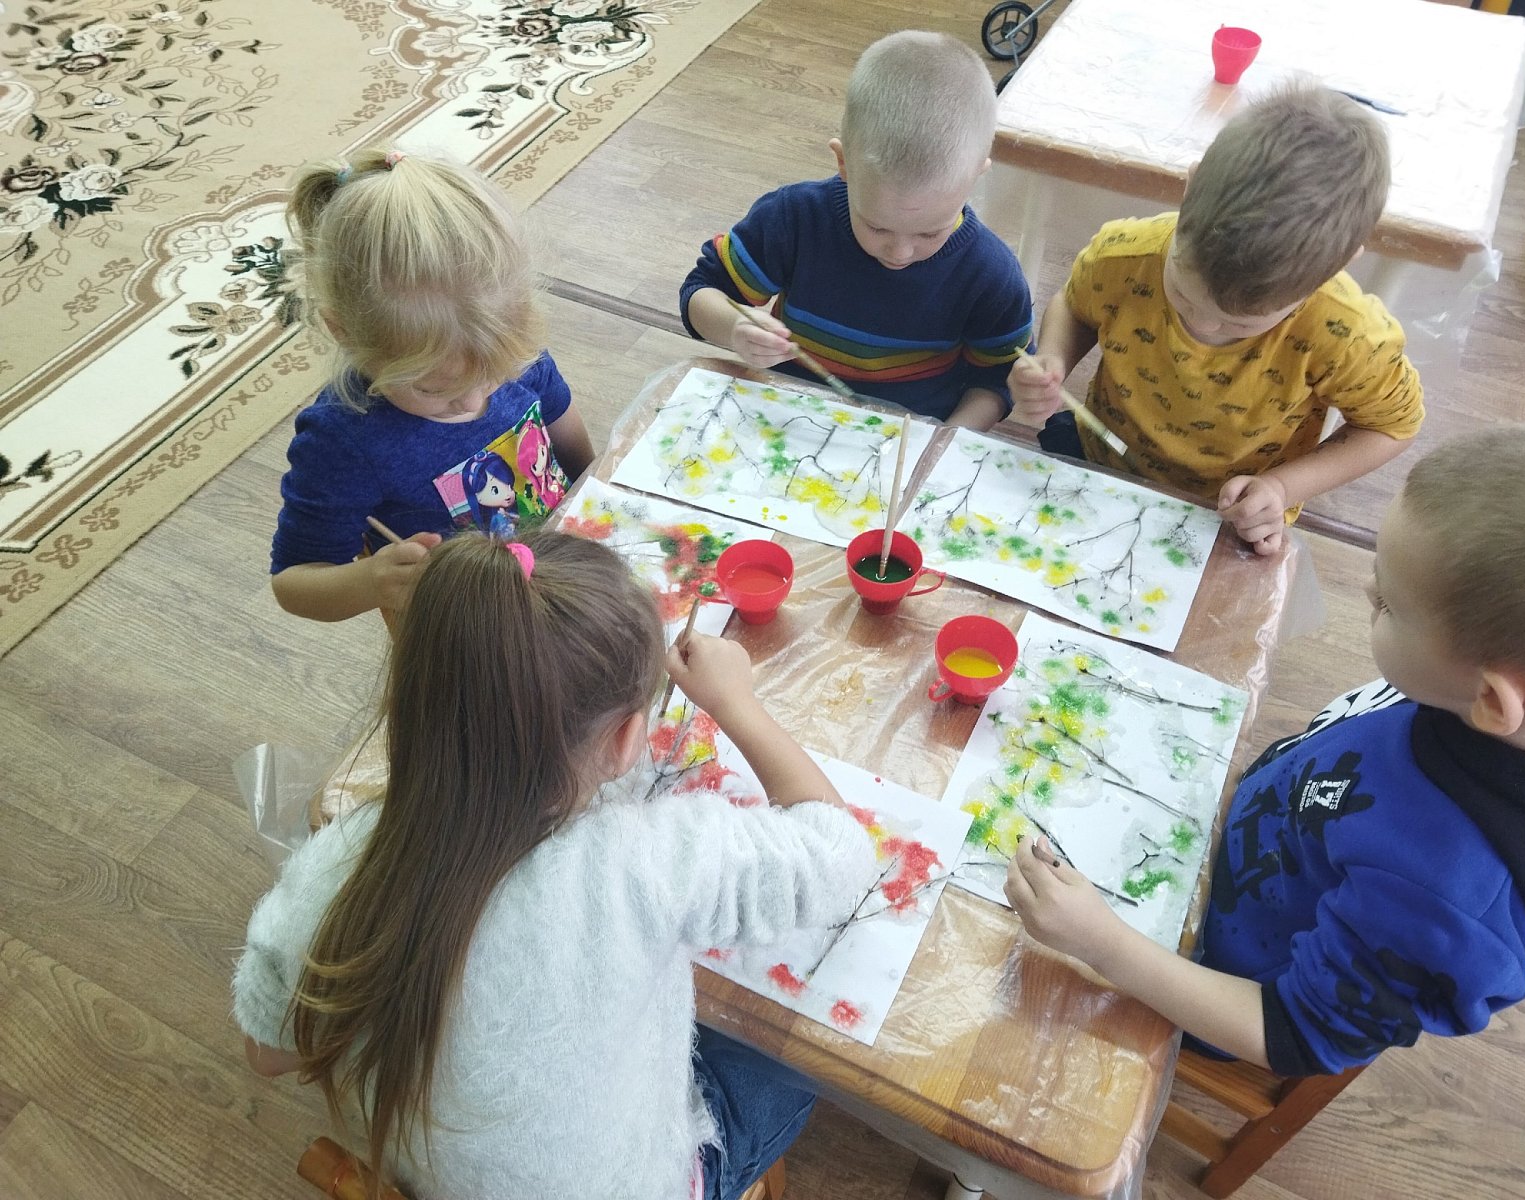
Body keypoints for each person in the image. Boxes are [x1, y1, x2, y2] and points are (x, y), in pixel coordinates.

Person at [234, 530, 879, 1198]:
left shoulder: (337, 860)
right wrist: (735, 699)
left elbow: (267, 1052)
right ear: (628, 740)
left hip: (425, 1182)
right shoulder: (644, 860)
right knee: (791, 1065)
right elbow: (839, 854)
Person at [1005, 419, 1525, 1077]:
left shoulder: (1446, 905)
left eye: (1389, 605)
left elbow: (1293, 1033)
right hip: (1224, 846)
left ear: (1493, 700)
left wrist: (1101, 944)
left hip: (1202, 974)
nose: (1367, 593)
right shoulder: (1483, 705)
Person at [1010, 85, 1425, 555]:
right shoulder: (1124, 255)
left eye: (1241, 325)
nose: (1204, 328)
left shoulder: (1348, 333)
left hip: (1230, 513)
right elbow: (1075, 305)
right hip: (1100, 458)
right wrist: (1054, 357)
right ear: (1188, 188)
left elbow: (1391, 427)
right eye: (1183, 296)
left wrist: (1282, 487)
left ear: (1336, 268)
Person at [270, 148, 595, 622]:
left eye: (494, 374)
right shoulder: (342, 440)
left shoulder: (512, 350)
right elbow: (293, 581)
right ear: (344, 332)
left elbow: (569, 437)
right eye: (433, 390)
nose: (471, 400)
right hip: (464, 625)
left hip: (563, 575)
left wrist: (598, 497)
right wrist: (371, 581)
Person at [680, 31, 1032, 429]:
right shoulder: (794, 219)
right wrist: (734, 327)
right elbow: (702, 290)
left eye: (929, 233)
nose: (900, 252)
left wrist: (948, 440)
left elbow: (997, 378)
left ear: (976, 177)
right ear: (843, 162)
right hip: (785, 419)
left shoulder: (990, 274)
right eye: (877, 226)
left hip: (911, 439)